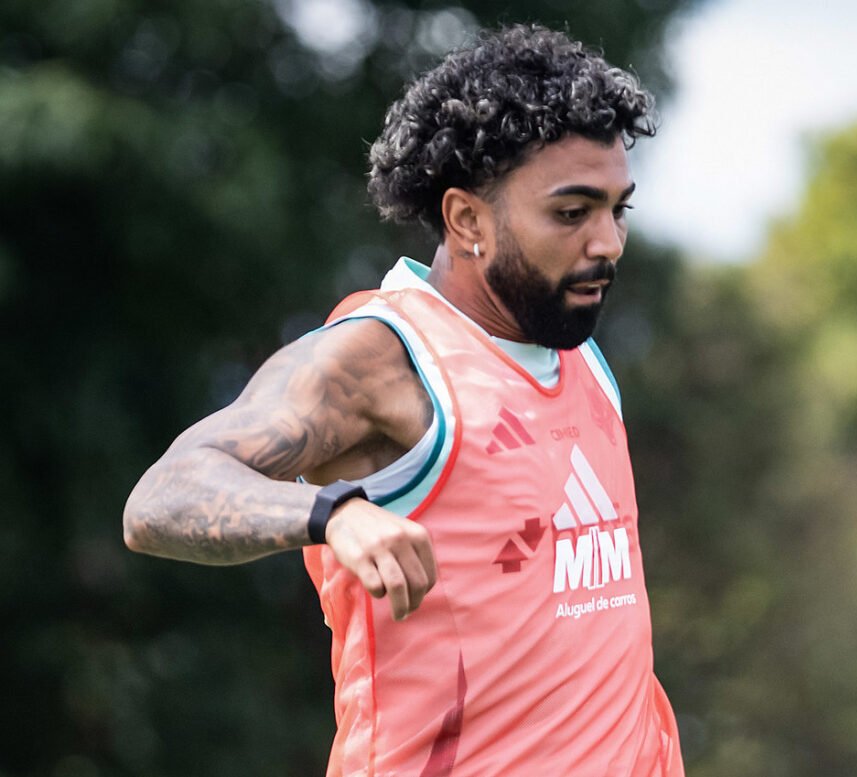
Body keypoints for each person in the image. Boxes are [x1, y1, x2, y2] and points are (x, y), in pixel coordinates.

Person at [124, 23, 685, 776]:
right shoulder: (383, 360)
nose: (608, 242)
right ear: (467, 219)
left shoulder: (575, 348)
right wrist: (333, 514)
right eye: (571, 212)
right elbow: (161, 498)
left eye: (618, 209)